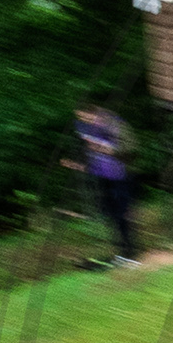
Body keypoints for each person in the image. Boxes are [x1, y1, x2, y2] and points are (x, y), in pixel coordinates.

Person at [66, 104, 137, 266]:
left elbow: (130, 147)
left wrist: (110, 151)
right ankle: (121, 252)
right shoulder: (84, 127)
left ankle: (130, 252)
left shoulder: (113, 123)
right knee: (110, 215)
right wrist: (81, 165)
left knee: (122, 214)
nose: (84, 120)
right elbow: (88, 150)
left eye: (86, 117)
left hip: (120, 175)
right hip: (101, 176)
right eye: (80, 118)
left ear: (94, 113)